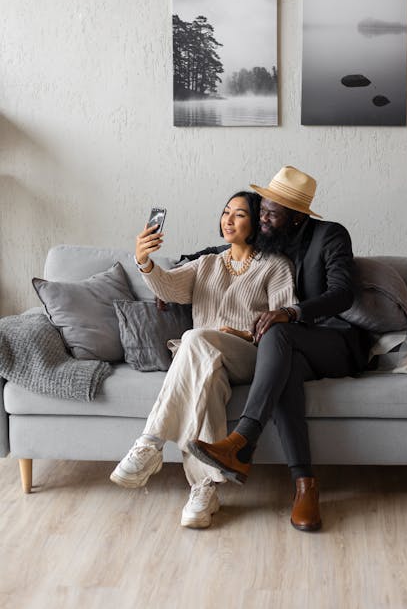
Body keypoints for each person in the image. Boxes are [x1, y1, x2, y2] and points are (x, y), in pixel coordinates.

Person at [188, 166, 370, 532]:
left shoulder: (330, 235)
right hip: (288, 348)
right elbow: (222, 251)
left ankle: (243, 440)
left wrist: (292, 311)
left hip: (333, 340)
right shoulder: (272, 236)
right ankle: (305, 486)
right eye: (262, 211)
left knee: (277, 332)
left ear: (298, 216)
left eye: (272, 213)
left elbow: (342, 293)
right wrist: (181, 266)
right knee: (282, 365)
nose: (263, 219)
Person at [110, 190, 297, 530]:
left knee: (194, 340)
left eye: (239, 214)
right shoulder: (207, 263)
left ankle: (150, 443)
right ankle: (204, 489)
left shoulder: (276, 266)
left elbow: (284, 323)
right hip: (206, 359)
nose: (228, 219)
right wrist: (144, 262)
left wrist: (238, 335)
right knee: (206, 379)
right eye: (226, 212)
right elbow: (167, 287)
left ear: (255, 222)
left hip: (250, 357)